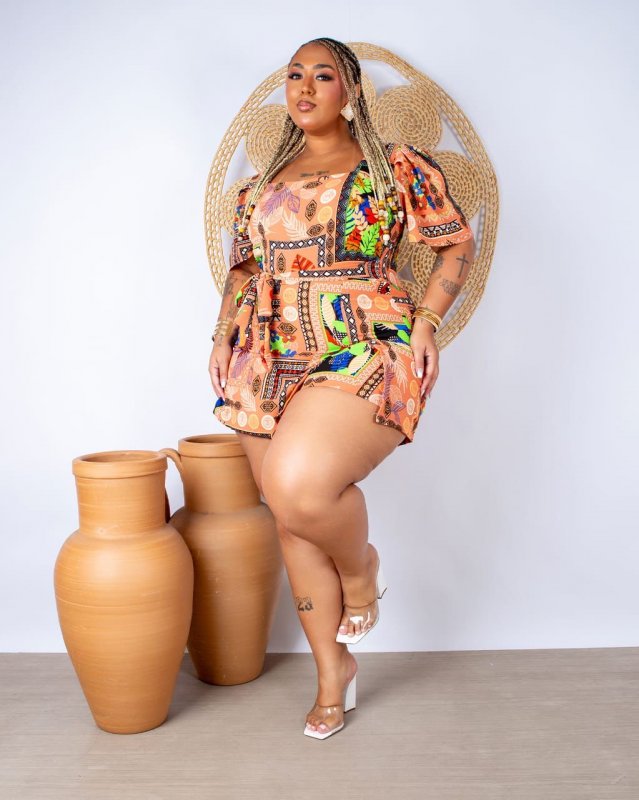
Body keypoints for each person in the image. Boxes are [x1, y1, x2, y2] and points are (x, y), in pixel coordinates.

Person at [209, 37, 476, 739]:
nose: (304, 87)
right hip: (264, 355)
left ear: (350, 92)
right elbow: (244, 268)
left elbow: (455, 242)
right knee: (289, 518)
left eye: (322, 75)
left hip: (363, 339)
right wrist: (222, 334)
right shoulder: (260, 185)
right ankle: (334, 674)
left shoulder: (393, 167)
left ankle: (361, 570)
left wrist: (427, 321)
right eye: (294, 75)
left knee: (299, 486)